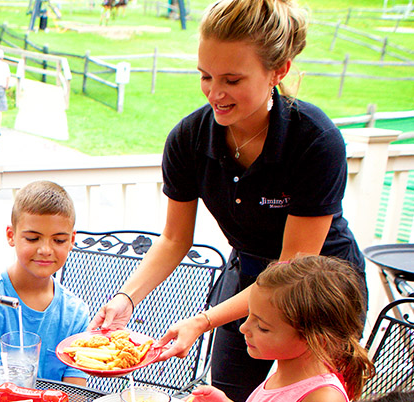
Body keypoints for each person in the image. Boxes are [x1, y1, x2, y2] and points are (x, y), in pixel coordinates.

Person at [87, 0, 367, 400]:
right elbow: (173, 240)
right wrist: (125, 297)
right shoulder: (188, 139)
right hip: (249, 272)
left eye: (232, 80)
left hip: (316, 292)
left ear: (278, 70)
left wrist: (201, 321)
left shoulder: (315, 141)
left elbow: (291, 270)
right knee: (230, 392)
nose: (215, 94)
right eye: (205, 76)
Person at [190, 256, 374, 402]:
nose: (244, 328)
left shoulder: (323, 397)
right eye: (249, 315)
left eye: (262, 327)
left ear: (316, 340)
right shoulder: (283, 373)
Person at [0, 181, 90, 385]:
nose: (46, 250)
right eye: (32, 238)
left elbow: (76, 391)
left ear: (72, 240)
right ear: (11, 235)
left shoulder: (75, 314)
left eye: (58, 241)